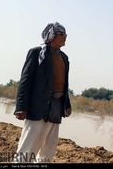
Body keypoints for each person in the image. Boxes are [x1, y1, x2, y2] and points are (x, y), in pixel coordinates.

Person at [13, 22, 72, 163]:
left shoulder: (64, 58)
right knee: (29, 145)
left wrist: (67, 104)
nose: (65, 36)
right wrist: (21, 106)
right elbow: (25, 81)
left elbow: (64, 84)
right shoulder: (36, 53)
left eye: (65, 34)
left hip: (56, 106)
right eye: (61, 34)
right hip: (37, 105)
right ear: (51, 36)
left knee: (49, 146)